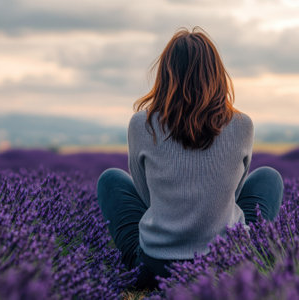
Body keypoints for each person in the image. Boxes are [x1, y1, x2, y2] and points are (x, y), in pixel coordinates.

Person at [96, 26, 284, 290]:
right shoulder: (243, 125)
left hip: (155, 268)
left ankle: (143, 279)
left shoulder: (141, 124)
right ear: (217, 75)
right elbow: (235, 191)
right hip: (227, 264)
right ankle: (250, 264)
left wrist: (176, 208)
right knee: (269, 178)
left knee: (110, 180)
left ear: (165, 75)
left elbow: (146, 195)